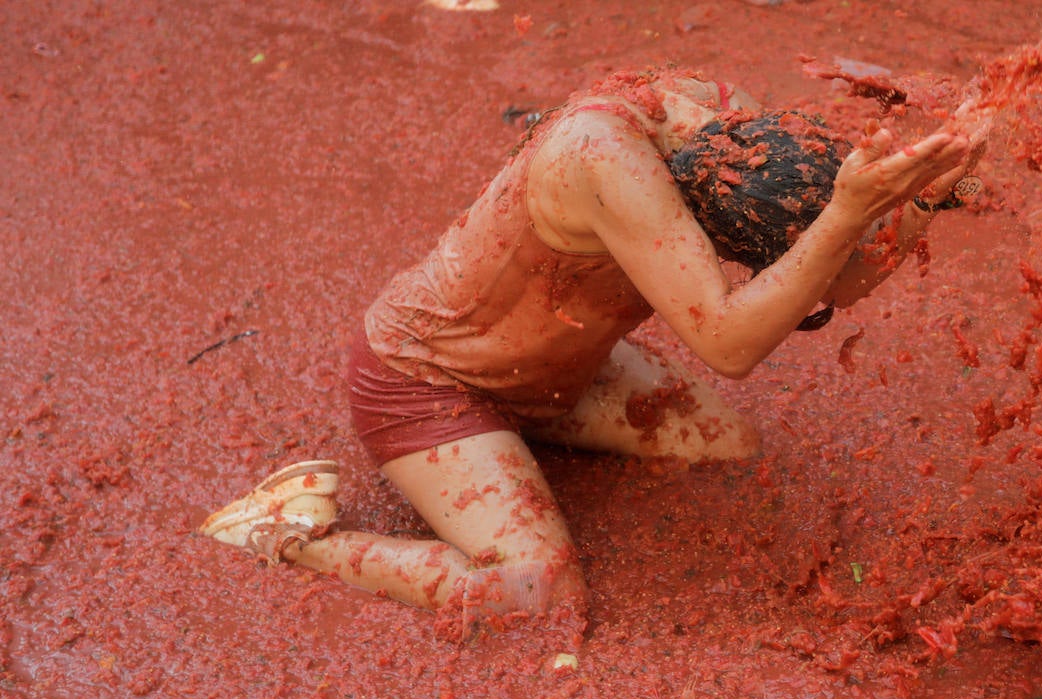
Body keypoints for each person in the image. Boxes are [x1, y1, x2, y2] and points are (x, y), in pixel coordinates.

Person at [198, 68, 987, 635]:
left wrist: (922, 197)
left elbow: (836, 283)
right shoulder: (603, 157)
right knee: (535, 589)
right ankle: (295, 538)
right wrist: (849, 213)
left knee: (725, 444)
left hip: (565, 370)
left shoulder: (730, 124)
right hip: (427, 381)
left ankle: (520, 438)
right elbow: (732, 343)